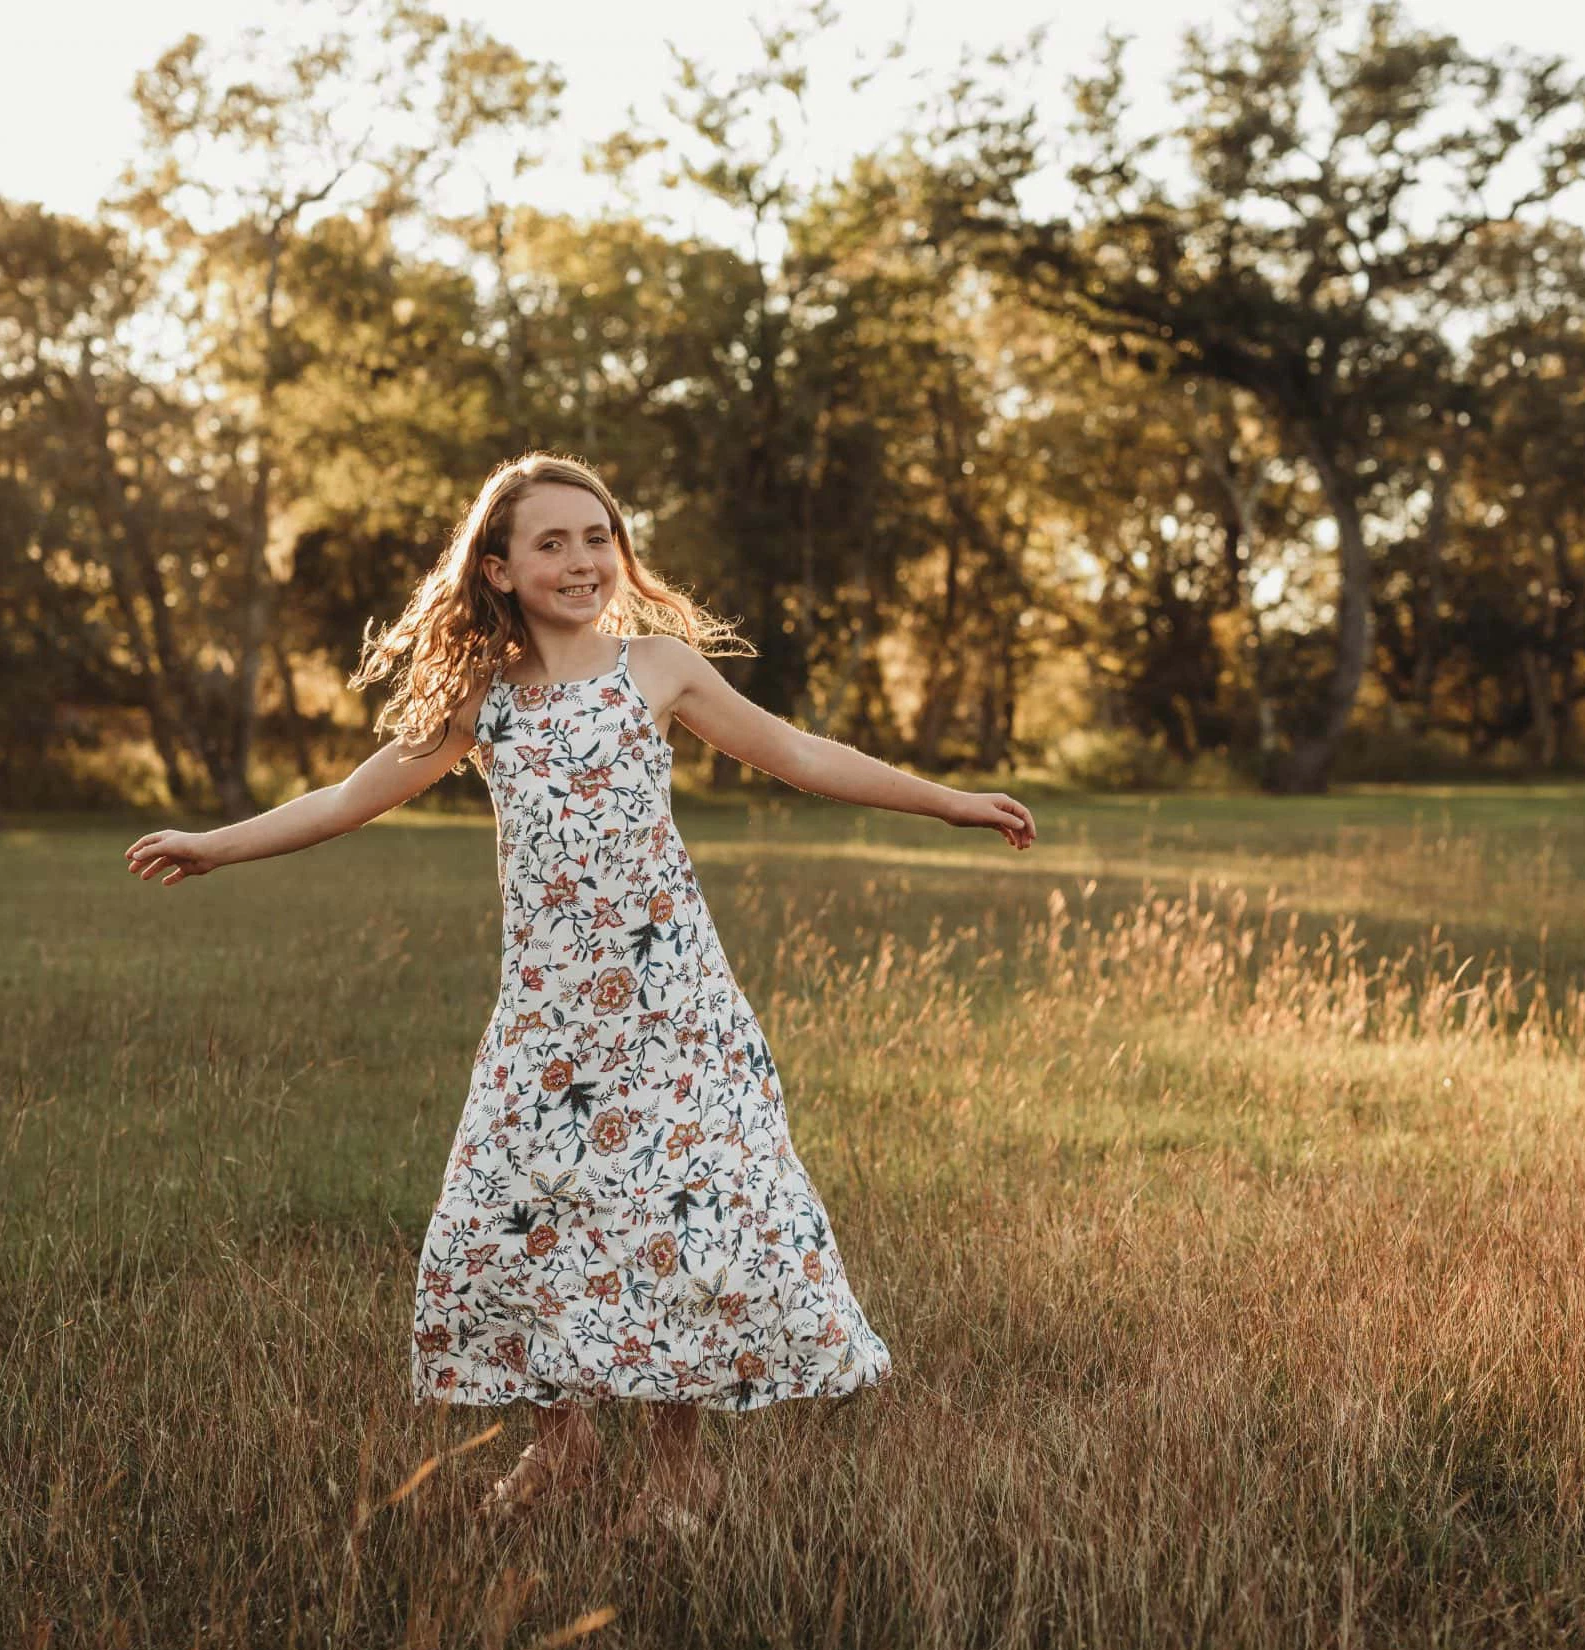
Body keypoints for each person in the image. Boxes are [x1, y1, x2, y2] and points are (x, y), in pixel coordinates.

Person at [124, 451, 1036, 1537]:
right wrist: (214, 847)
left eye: (597, 536)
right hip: (551, 1022)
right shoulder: (483, 699)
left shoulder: (657, 668)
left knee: (675, 1221)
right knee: (523, 1219)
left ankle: (678, 1471)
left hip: (673, 1007)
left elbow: (795, 751)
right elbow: (352, 794)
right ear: (499, 568)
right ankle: (558, 1448)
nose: (580, 558)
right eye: (550, 542)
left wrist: (949, 803)